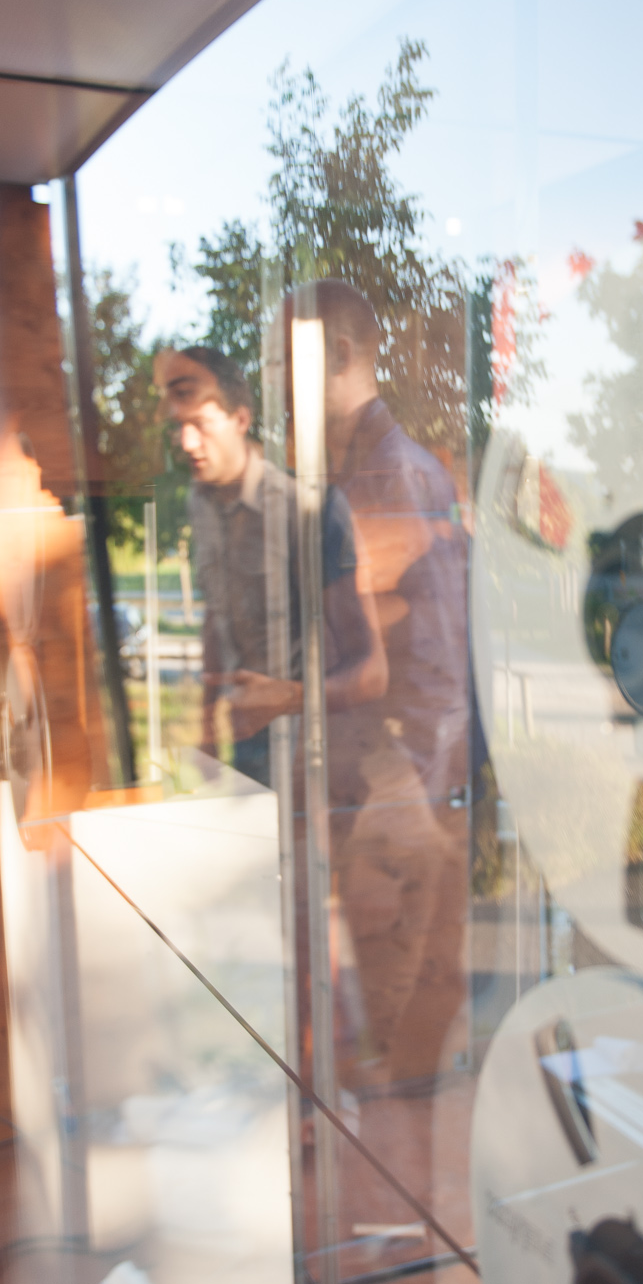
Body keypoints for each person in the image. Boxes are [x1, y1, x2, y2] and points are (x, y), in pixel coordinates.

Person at [278, 282, 471, 1089]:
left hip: (395, 797)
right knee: (386, 1047)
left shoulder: (387, 480)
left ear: (340, 355)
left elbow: (427, 670)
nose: (275, 384)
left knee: (396, 1057)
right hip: (386, 793)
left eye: (284, 362)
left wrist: (402, 809)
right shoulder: (369, 472)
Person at [154, 344, 385, 785]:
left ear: (241, 420)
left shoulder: (307, 509)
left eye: (200, 424)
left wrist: (286, 698)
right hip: (245, 739)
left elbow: (372, 673)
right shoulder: (199, 502)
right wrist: (207, 723)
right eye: (178, 427)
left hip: (315, 751)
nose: (186, 443)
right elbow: (218, 614)